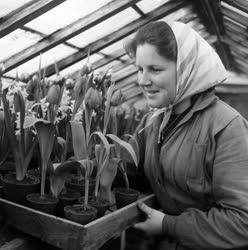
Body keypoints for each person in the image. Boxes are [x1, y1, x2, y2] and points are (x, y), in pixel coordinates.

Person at [124, 21, 248, 250]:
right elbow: (129, 173)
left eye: (155, 69)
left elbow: (242, 223)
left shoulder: (227, 128)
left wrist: (169, 225)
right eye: (139, 69)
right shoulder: (153, 121)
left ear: (185, 69)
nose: (142, 80)